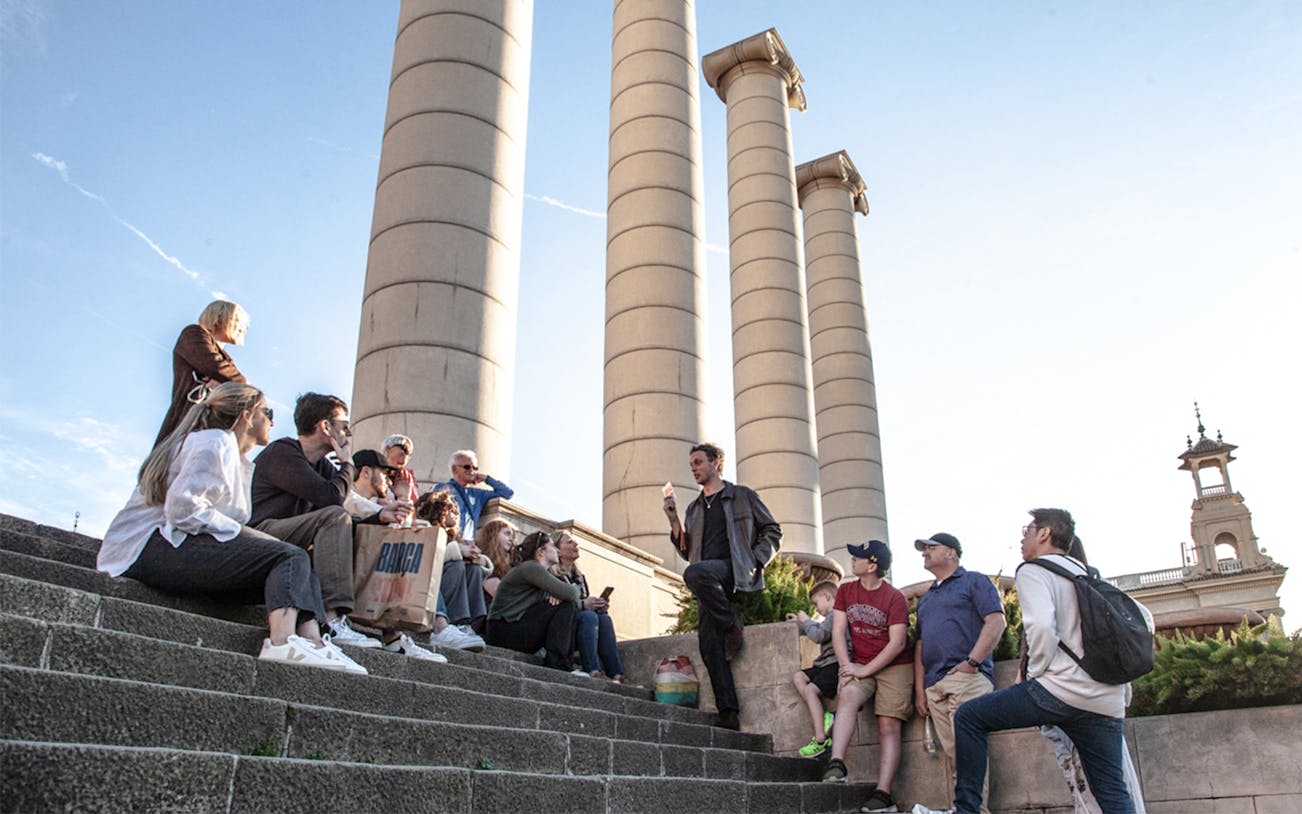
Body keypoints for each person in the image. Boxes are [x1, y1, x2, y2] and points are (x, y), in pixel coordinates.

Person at [99, 381, 364, 674]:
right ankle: (282, 642)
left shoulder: (238, 460)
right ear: (247, 416)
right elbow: (183, 509)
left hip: (177, 544)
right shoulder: (215, 441)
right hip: (146, 547)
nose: (273, 420)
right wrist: (247, 532)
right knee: (288, 556)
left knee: (301, 564)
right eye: (267, 412)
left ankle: (315, 642)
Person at [946, 510, 1136, 814]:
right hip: (1105, 698)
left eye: (1027, 530)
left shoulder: (1033, 570)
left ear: (1045, 534)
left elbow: (1042, 629)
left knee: (969, 716)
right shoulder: (1088, 574)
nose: (1022, 538)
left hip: (1060, 691)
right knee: (1112, 791)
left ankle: (966, 810)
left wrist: (1035, 675)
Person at [250, 393, 443, 662]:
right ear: (325, 427)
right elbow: (332, 500)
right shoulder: (284, 451)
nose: (348, 431)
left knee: (362, 529)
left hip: (298, 537)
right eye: (343, 424)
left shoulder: (325, 467)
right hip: (263, 533)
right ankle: (333, 618)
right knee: (336, 517)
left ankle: (392, 635)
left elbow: (341, 516)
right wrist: (347, 463)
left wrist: (380, 519)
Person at [662, 441, 782, 731]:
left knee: (695, 573)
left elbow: (773, 530)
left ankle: (731, 624)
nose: (694, 469)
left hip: (736, 569)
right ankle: (728, 711)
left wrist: (757, 560)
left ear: (717, 462)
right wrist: (672, 519)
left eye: (699, 462)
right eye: (691, 465)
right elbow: (686, 549)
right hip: (707, 580)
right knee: (709, 644)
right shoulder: (693, 509)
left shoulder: (742, 496)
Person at [1027, 537, 1149, 814]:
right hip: (1099, 694)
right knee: (1105, 780)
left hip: (1071, 694)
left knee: (1088, 776)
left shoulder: (1058, 585)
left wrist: (1035, 676)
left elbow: (1042, 633)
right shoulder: (1090, 584)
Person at [911, 532, 1006, 814]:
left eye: (931, 547)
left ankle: (972, 810)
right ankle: (964, 809)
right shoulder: (926, 598)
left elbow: (996, 621)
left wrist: (971, 663)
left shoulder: (974, 581)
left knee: (966, 752)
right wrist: (920, 689)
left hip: (967, 678)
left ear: (951, 552)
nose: (924, 552)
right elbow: (920, 644)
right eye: (923, 549)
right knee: (955, 754)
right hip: (934, 686)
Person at [823, 540, 912, 814]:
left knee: (888, 725)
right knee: (848, 694)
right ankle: (837, 763)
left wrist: (863, 670)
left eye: (858, 557)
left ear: (872, 565)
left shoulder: (894, 597)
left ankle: (883, 794)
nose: (852, 560)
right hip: (860, 662)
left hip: (895, 666)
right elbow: (838, 631)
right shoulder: (846, 591)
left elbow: (897, 643)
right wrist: (846, 667)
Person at [153, 300, 249, 448]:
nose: (243, 328)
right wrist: (239, 383)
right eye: (238, 320)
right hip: (184, 427)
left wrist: (226, 383)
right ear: (220, 317)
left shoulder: (229, 362)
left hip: (209, 435)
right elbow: (215, 366)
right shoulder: (193, 334)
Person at [485, 530, 582, 673]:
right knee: (567, 604)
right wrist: (569, 592)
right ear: (541, 551)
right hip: (503, 631)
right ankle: (558, 664)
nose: (557, 550)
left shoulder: (543, 573)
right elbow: (573, 594)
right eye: (552, 547)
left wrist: (562, 597)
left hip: (515, 628)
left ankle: (562, 662)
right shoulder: (531, 567)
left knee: (566, 605)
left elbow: (575, 602)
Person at [413, 488, 489, 650]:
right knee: (456, 565)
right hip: (423, 590)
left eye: (457, 509)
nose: (456, 512)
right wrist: (458, 552)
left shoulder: (456, 539)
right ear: (437, 508)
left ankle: (464, 625)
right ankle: (443, 627)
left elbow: (485, 570)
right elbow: (426, 555)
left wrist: (478, 558)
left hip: (443, 589)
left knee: (474, 569)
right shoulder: (422, 526)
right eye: (451, 507)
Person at [553, 530, 626, 682]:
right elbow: (556, 604)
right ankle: (592, 668)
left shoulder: (580, 577)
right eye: (569, 542)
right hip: (562, 626)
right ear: (557, 550)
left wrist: (597, 605)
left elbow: (584, 602)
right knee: (589, 616)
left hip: (582, 621)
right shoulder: (552, 574)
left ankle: (616, 673)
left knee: (604, 618)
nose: (576, 544)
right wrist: (584, 605)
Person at [788, 580, 845, 758]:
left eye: (816, 603)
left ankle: (821, 739)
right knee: (799, 677)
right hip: (824, 664)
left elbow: (819, 635)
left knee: (811, 690)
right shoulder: (829, 618)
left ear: (827, 597)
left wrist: (806, 619)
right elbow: (818, 629)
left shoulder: (836, 614)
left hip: (835, 664)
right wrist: (801, 623)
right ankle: (824, 716)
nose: (816, 608)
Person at [434, 449, 514, 542]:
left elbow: (507, 493)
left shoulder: (478, 494)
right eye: (467, 467)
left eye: (475, 468)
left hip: (467, 544)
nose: (472, 471)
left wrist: (486, 478)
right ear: (454, 469)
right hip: (446, 541)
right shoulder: (441, 488)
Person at [343, 449, 395, 520]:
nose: (390, 482)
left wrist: (403, 497)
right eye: (384, 474)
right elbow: (352, 501)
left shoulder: (379, 505)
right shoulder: (344, 496)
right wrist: (383, 512)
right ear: (366, 472)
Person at [476, 518, 517, 599]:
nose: (511, 539)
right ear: (494, 534)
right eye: (507, 534)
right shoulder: (484, 560)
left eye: (512, 536)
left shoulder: (512, 562)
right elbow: (499, 594)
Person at [382, 434, 418, 506]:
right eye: (401, 453)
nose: (404, 459)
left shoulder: (407, 476)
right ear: (388, 450)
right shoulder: (377, 472)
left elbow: (415, 502)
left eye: (408, 454)